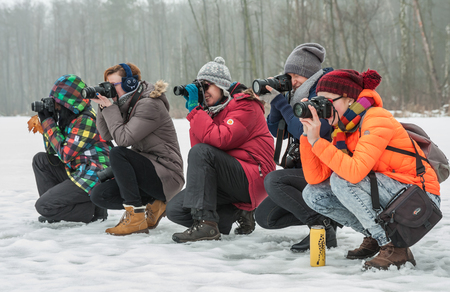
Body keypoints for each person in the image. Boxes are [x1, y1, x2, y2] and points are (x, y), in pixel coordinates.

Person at [300, 69, 440, 270]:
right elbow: (315, 178)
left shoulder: (376, 117)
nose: (323, 107)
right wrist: (308, 137)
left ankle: (393, 247)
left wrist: (317, 142)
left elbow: (354, 173)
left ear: (349, 99)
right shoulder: (342, 130)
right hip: (391, 192)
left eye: (328, 101)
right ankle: (374, 236)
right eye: (318, 101)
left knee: (343, 180)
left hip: (420, 197)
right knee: (314, 195)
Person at [166, 57, 275, 243]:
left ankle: (206, 225)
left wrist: (197, 112)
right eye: (201, 87)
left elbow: (218, 140)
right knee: (175, 210)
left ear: (221, 86)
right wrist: (198, 111)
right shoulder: (213, 111)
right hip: (228, 179)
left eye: (207, 86)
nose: (204, 92)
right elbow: (200, 148)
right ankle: (230, 217)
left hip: (253, 176)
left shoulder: (245, 105)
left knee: (201, 152)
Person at [254, 43, 338, 252]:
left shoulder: (322, 95)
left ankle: (321, 226)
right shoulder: (295, 94)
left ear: (308, 74)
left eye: (296, 75)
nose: (292, 81)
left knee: (274, 181)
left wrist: (283, 105)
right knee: (265, 217)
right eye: (288, 75)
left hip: (326, 171)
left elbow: (304, 132)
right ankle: (326, 217)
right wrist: (277, 102)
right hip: (303, 168)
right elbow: (274, 129)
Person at [90, 63, 184, 236]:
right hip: (149, 171)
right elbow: (106, 134)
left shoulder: (149, 105)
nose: (109, 90)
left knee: (118, 154)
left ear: (130, 84)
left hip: (168, 174)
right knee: (99, 195)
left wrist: (111, 108)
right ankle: (154, 203)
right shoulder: (126, 104)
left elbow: (122, 140)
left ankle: (136, 218)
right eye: (107, 85)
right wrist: (103, 106)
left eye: (113, 86)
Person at [33, 74, 111, 224]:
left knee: (43, 206)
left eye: (56, 103)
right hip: (78, 171)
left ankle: (93, 212)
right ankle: (56, 211)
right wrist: (49, 119)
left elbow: (65, 154)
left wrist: (48, 122)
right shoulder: (70, 118)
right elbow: (51, 151)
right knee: (40, 160)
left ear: (67, 103)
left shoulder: (85, 120)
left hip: (94, 176)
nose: (55, 106)